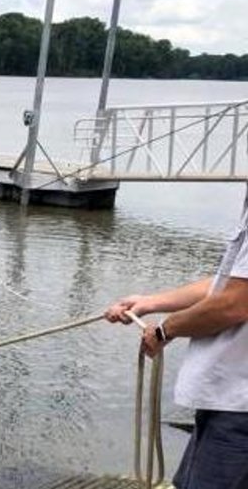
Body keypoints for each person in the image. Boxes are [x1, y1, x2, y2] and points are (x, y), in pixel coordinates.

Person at [104, 196, 248, 489]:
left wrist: (164, 332)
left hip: (239, 406)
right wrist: (149, 302)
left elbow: (234, 303)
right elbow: (226, 285)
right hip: (228, 400)